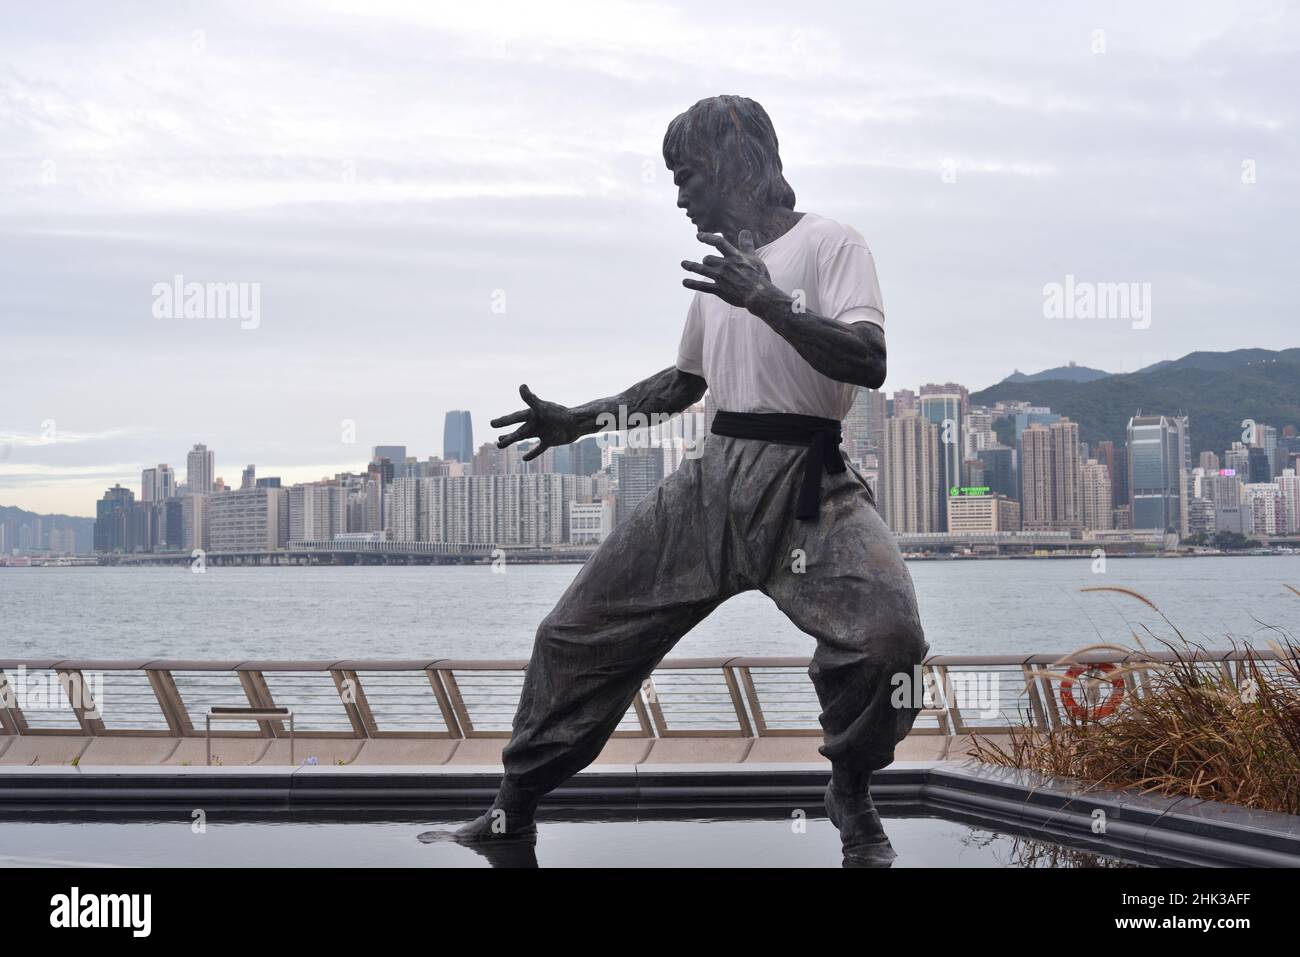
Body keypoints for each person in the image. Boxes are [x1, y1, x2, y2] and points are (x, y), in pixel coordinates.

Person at [444, 94, 928, 864]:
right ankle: (514, 806)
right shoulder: (721, 275)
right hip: (712, 483)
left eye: (689, 175)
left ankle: (851, 785)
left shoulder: (832, 244)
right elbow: (682, 386)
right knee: (572, 634)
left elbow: (867, 360)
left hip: (810, 485)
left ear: (736, 165)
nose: (679, 195)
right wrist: (581, 421)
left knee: (888, 640)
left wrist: (765, 299)